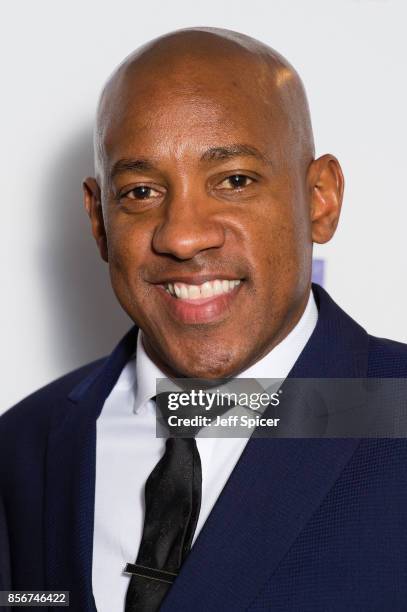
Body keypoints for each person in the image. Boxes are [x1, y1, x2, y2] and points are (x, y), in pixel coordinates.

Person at [1, 26, 407, 612]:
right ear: (98, 222)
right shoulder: (23, 449)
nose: (184, 236)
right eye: (140, 191)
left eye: (235, 181)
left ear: (320, 198)